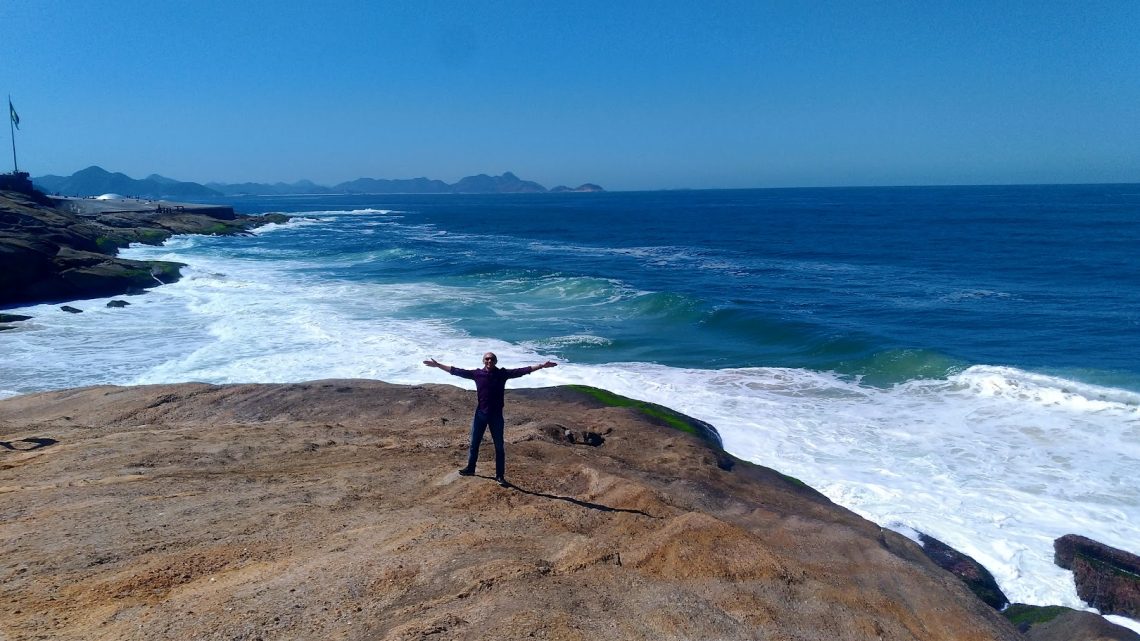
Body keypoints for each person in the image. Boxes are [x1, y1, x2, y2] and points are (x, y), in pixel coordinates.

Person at [423, 352, 557, 486]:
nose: (489, 361)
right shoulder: (477, 374)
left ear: (496, 361)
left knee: (499, 447)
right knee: (474, 444)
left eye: (492, 359)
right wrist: (438, 365)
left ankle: (500, 476)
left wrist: (541, 366)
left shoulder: (502, 374)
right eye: (487, 359)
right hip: (480, 415)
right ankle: (471, 468)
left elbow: (522, 371)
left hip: (496, 416)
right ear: (483, 361)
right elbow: (456, 371)